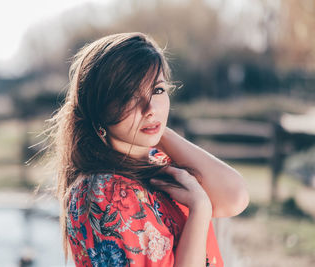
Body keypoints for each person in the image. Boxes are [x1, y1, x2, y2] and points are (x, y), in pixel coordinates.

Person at [40, 32, 249, 267]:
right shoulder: (106, 193)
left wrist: (156, 131)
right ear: (99, 107)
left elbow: (235, 197)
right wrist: (200, 209)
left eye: (158, 90)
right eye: (129, 95)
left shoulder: (153, 163)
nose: (150, 107)